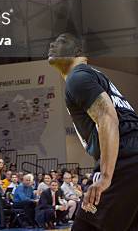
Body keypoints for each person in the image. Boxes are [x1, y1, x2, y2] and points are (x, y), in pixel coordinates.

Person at [48, 32, 138, 230]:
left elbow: (108, 117)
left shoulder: (77, 77)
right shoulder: (95, 77)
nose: (52, 44)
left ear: (78, 52)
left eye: (61, 41)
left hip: (126, 158)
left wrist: (106, 177)